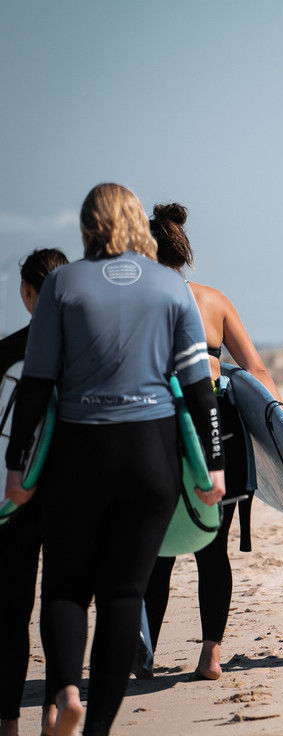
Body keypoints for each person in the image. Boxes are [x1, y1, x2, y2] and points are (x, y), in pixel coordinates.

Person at [4, 184, 226, 736]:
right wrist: (213, 464)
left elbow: (35, 384)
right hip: (150, 456)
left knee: (64, 589)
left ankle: (69, 693)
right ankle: (98, 727)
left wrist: (16, 467)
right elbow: (200, 389)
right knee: (125, 594)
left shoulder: (61, 285)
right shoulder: (170, 288)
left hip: (79, 455)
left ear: (87, 226)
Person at [143, 203, 282, 682]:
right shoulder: (213, 300)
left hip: (161, 426)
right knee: (212, 550)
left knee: (157, 551)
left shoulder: (140, 301)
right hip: (219, 428)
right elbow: (257, 372)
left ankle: (143, 657)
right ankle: (210, 657)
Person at [0, 249, 68, 736]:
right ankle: (51, 713)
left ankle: (7, 722)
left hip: (15, 495)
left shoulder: (5, 353)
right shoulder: (86, 350)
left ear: (26, 292)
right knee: (60, 605)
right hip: (72, 495)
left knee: (11, 612)